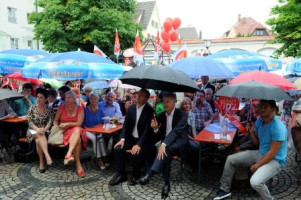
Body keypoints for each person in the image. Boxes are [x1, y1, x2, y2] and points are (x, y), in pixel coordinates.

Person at [214, 100, 287, 200]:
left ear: (273, 109)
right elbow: (257, 143)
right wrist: (252, 131)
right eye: (261, 106)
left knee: (255, 182)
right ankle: (224, 189)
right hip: (261, 153)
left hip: (275, 159)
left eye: (265, 107)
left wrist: (257, 165)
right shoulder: (259, 122)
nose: (262, 109)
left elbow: (273, 152)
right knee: (230, 159)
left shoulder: (278, 127)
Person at [138, 93, 189, 199]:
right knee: (166, 152)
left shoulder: (182, 115)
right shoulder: (161, 116)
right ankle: (166, 184)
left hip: (180, 143)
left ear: (174, 102)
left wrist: (164, 144)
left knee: (166, 149)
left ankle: (150, 174)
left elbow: (175, 132)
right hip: (167, 147)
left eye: (168, 101)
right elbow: (158, 135)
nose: (165, 104)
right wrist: (155, 128)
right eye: (164, 101)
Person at [109, 89, 155, 186]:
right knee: (117, 149)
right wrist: (122, 139)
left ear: (146, 99)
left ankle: (136, 175)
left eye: (141, 95)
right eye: (138, 94)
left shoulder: (150, 110)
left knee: (135, 153)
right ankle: (122, 174)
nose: (138, 96)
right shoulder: (131, 108)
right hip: (131, 139)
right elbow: (125, 125)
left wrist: (139, 144)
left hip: (144, 141)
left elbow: (147, 130)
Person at [53, 91, 88, 177]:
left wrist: (67, 124)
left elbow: (79, 123)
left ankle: (69, 154)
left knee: (77, 129)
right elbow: (55, 120)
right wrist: (56, 127)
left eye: (69, 98)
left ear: (74, 99)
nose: (67, 100)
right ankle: (78, 165)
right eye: (66, 98)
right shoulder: (61, 108)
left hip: (76, 130)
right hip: (64, 131)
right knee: (78, 140)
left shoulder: (80, 108)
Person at [27, 88, 54, 173]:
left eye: (41, 97)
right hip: (32, 130)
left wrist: (44, 129)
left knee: (38, 141)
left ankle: (41, 163)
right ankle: (47, 156)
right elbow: (30, 122)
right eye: (37, 97)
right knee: (39, 135)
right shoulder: (32, 108)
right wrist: (37, 129)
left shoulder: (49, 109)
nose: (38, 99)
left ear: (45, 99)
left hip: (44, 131)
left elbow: (50, 122)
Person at [82, 92, 108, 170]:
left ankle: (103, 157)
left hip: (97, 130)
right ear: (89, 100)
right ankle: (100, 160)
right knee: (95, 139)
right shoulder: (85, 109)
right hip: (87, 130)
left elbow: (103, 120)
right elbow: (82, 123)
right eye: (92, 99)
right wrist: (87, 128)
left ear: (98, 100)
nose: (93, 100)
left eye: (95, 99)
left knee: (100, 138)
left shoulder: (100, 110)